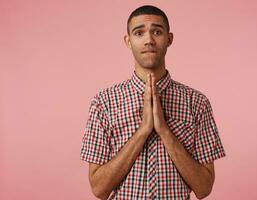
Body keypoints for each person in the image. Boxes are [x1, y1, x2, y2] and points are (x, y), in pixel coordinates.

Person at [80, 5, 226, 200]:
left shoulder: (197, 103)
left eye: (157, 32)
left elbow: (204, 188)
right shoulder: (103, 103)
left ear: (169, 39)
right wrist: (143, 131)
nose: (149, 40)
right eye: (139, 33)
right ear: (128, 41)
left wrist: (164, 130)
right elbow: (99, 189)